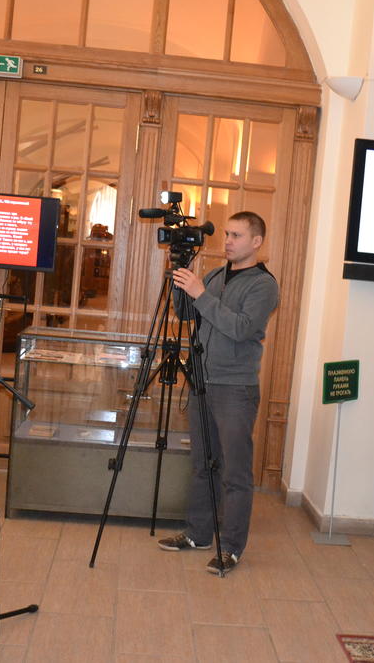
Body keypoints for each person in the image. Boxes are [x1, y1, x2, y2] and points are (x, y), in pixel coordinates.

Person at [157, 211, 279, 575]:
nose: (227, 241)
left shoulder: (264, 285)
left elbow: (240, 328)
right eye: (226, 234)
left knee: (234, 472)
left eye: (236, 235)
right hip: (201, 382)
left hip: (235, 388)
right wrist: (180, 280)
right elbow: (186, 314)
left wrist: (200, 294)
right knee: (203, 465)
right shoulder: (214, 276)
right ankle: (198, 534)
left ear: (256, 242)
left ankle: (232, 547)